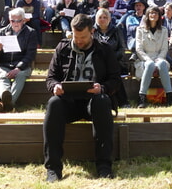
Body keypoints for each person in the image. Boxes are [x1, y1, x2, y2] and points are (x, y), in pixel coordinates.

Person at [43, 13, 120, 182]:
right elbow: (50, 77)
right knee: (53, 103)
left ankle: (104, 167)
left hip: (94, 102)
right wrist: (54, 86)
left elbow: (115, 79)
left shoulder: (104, 49)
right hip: (68, 102)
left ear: (92, 31)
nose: (79, 41)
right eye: (76, 36)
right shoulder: (63, 47)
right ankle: (53, 169)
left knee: (102, 101)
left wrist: (103, 88)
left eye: (83, 37)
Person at [0, 8, 38, 112]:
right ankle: (8, 103)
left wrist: (18, 68)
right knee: (2, 75)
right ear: (9, 20)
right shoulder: (2, 32)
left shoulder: (31, 33)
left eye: (19, 20)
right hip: (4, 64)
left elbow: (31, 55)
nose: (16, 23)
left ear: (23, 20)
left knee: (21, 75)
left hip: (23, 65)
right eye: (13, 20)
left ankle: (6, 103)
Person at [134, 6, 172, 108]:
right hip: (144, 59)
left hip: (159, 58)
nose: (153, 15)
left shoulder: (164, 30)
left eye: (156, 13)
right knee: (150, 64)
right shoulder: (140, 30)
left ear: (159, 16)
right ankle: (141, 97)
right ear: (147, 15)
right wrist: (147, 59)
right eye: (151, 13)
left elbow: (164, 48)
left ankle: (169, 96)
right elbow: (139, 49)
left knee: (161, 64)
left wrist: (160, 58)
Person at [93, 8, 129, 107]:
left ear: (109, 19)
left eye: (105, 17)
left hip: (115, 61)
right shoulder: (92, 31)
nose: (102, 19)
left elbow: (122, 48)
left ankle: (123, 102)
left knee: (114, 72)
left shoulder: (116, 30)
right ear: (96, 19)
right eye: (100, 17)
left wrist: (112, 59)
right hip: (97, 62)